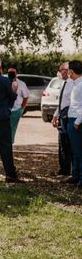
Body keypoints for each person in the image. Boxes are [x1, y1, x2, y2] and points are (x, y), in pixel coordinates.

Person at [53, 62, 73, 178]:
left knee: (68, 144)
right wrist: (56, 115)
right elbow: (62, 102)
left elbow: (72, 103)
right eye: (60, 70)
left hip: (68, 117)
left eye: (62, 70)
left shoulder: (73, 84)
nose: (60, 72)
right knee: (62, 143)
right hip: (62, 116)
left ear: (68, 71)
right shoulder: (64, 83)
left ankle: (70, 170)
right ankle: (64, 168)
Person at [65, 60, 82, 188]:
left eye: (68, 69)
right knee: (75, 151)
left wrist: (77, 122)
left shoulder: (81, 84)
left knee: (79, 152)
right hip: (72, 120)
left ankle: (81, 180)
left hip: (77, 122)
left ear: (71, 71)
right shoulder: (75, 84)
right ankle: (75, 176)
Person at [7, 68, 30, 143]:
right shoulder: (5, 82)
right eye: (9, 73)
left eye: (13, 73)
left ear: (16, 74)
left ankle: (10, 143)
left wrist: (22, 108)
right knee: (4, 127)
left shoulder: (21, 84)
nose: (11, 74)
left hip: (16, 110)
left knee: (13, 128)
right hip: (5, 109)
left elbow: (26, 97)